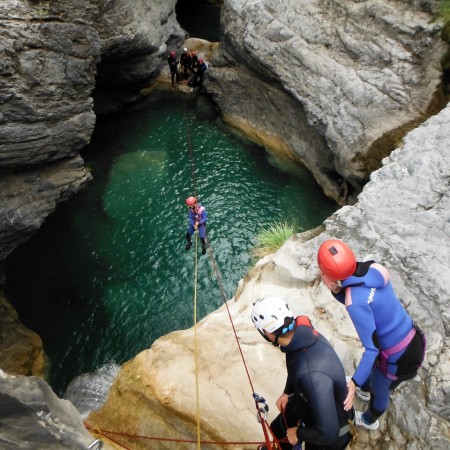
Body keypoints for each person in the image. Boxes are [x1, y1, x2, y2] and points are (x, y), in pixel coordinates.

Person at [318, 239, 426, 431]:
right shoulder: (374, 267)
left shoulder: (354, 302)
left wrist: (353, 383)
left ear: (327, 273)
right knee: (374, 378)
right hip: (411, 336)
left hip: (397, 357)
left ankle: (369, 420)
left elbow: (371, 349)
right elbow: (362, 293)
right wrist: (336, 289)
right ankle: (365, 389)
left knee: (380, 391)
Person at [251, 296, 355, 450]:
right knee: (277, 428)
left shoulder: (311, 375)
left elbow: (328, 433)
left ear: (267, 332)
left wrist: (298, 433)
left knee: (297, 437)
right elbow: (295, 367)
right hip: (310, 405)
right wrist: (287, 392)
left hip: (332, 434)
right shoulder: (299, 338)